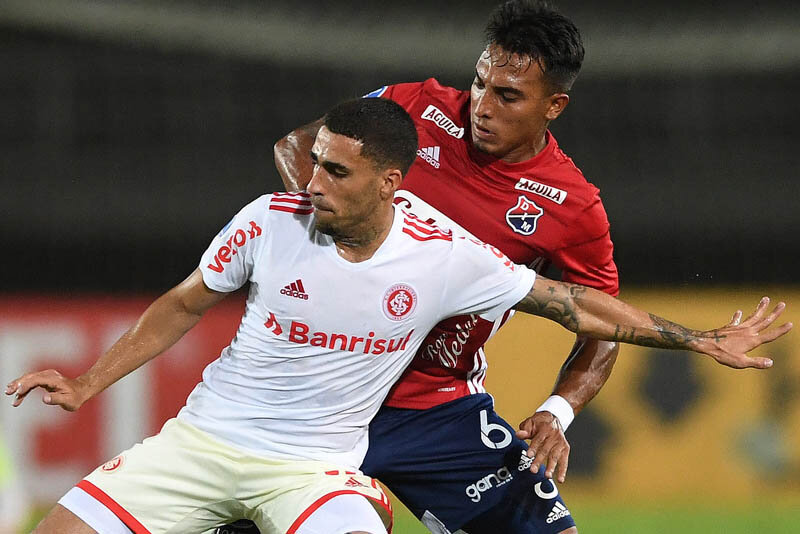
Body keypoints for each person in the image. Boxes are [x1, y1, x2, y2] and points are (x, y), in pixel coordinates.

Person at [6, 98, 790, 534]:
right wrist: (88, 382)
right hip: (202, 444)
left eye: (336, 171)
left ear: (389, 182)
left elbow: (573, 304)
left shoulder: (443, 256)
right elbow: (183, 304)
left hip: (313, 470)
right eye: (316, 163)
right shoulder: (269, 220)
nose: (313, 182)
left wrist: (700, 340)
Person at [273, 1, 616, 532]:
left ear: (555, 105)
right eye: (479, 83)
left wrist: (558, 410)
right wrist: (341, 240)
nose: (482, 106)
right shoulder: (413, 107)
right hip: (326, 387)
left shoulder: (571, 205)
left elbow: (604, 323)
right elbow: (297, 147)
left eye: (508, 96)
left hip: (431, 405)